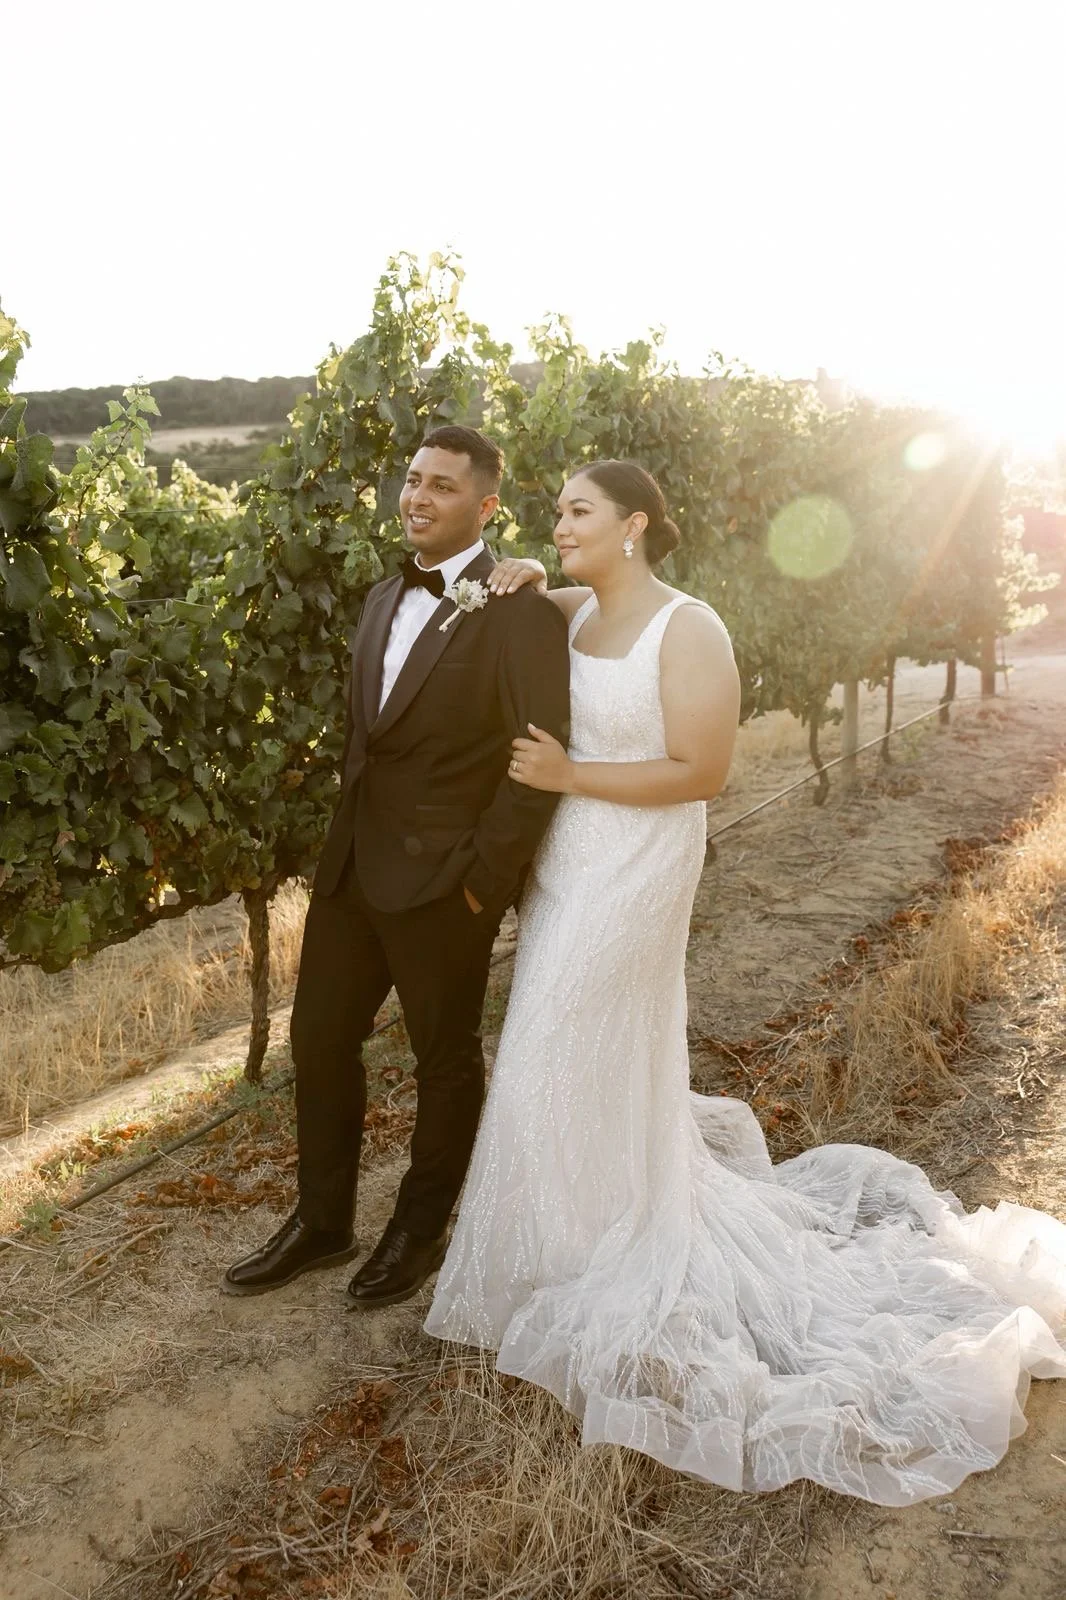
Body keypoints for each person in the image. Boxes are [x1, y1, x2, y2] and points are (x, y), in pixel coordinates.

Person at [426, 458, 1066, 1506]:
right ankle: (563, 1244)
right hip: (567, 861)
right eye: (556, 513)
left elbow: (704, 771)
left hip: (638, 861)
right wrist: (529, 568)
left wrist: (570, 773)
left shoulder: (691, 628)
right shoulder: (569, 613)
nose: (560, 523)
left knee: (552, 1037)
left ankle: (586, 1254)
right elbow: (531, 594)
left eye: (578, 510)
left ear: (635, 524)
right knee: (561, 1046)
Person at [223, 426, 570, 1307]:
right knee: (318, 1040)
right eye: (413, 479)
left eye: (442, 486)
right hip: (352, 872)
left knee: (443, 1061)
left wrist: (482, 883)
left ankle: (419, 1229)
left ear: (486, 506)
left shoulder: (520, 613)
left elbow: (538, 759)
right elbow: (366, 741)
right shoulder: (382, 594)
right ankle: (322, 1222)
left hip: (445, 886)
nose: (417, 497)